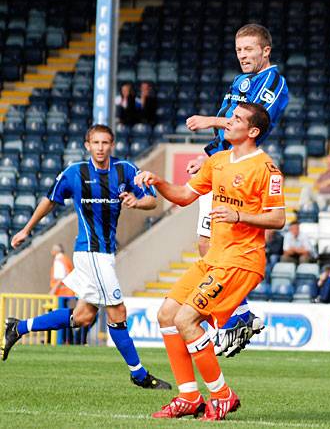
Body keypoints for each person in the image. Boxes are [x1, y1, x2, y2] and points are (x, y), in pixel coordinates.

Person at [135, 103, 286, 420]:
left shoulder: (266, 168)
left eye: (237, 120)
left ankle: (222, 395)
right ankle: (189, 397)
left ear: (253, 131)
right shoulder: (217, 161)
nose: (228, 123)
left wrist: (238, 214)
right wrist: (157, 181)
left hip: (241, 260)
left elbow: (278, 217)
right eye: (229, 117)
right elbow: (183, 196)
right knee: (166, 315)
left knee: (186, 320)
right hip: (215, 257)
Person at [2, 124, 171, 391]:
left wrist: (137, 202)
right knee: (118, 311)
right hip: (90, 252)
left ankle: (18, 327)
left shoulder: (125, 170)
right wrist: (26, 229)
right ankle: (139, 374)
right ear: (87, 145)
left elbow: (153, 201)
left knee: (82, 317)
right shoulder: (74, 173)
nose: (101, 148)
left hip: (105, 253)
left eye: (105, 143)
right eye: (96, 143)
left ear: (112, 144)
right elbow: (49, 200)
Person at [185, 23, 288, 356]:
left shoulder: (274, 82)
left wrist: (209, 121)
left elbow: (253, 123)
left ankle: (240, 315)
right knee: (205, 244)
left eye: (249, 49)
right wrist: (205, 155)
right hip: (221, 162)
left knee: (216, 246)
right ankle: (241, 315)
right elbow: (229, 130)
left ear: (265, 51)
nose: (242, 55)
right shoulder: (239, 82)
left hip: (242, 170)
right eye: (239, 50)